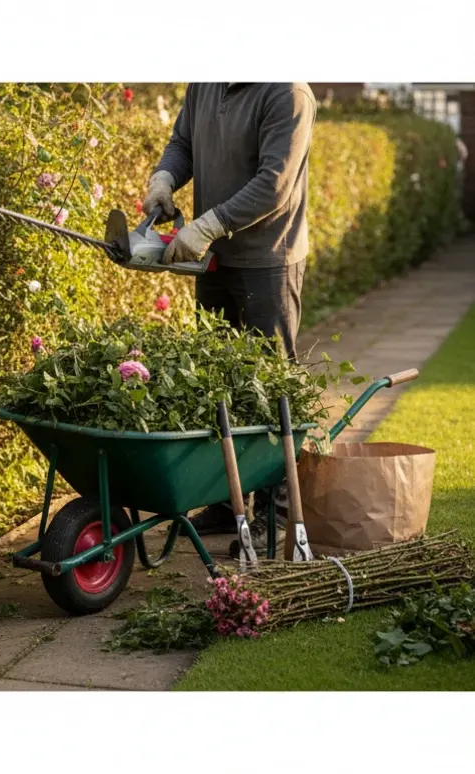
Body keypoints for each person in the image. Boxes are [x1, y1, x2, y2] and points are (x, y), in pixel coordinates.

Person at [143, 83, 316, 535]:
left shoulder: (288, 94)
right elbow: (183, 143)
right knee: (215, 380)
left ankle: (274, 516)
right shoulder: (206, 80)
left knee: (269, 386)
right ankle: (223, 503)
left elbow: (273, 184)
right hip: (212, 257)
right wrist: (164, 177)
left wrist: (209, 225)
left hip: (268, 260)